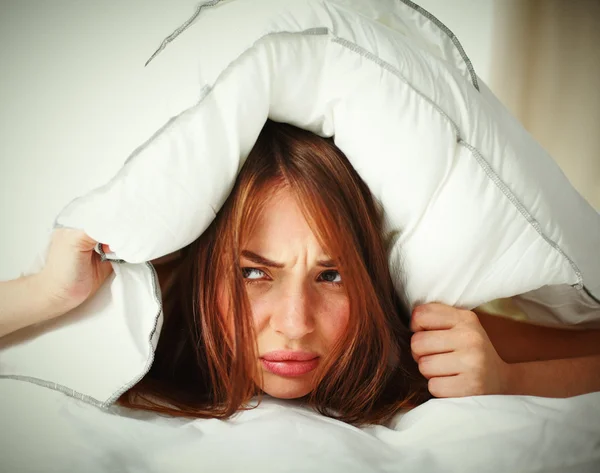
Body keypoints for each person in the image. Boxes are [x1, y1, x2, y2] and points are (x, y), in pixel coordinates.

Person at [1, 120, 600, 427]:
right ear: (205, 266)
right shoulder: (153, 317)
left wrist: (504, 382)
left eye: (331, 275)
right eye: (255, 273)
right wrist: (45, 295)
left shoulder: (408, 329)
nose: (294, 325)